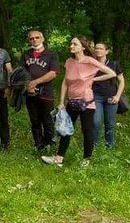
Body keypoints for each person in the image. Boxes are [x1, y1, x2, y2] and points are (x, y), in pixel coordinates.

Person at [42, 36, 116, 167]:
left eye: (75, 44)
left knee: (87, 130)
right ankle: (59, 158)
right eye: (71, 44)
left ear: (83, 47)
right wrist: (61, 102)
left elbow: (111, 73)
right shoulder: (69, 61)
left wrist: (93, 80)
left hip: (86, 102)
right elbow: (65, 82)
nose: (71, 46)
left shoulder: (90, 61)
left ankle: (87, 159)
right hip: (71, 102)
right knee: (66, 129)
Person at [21, 30, 60, 152]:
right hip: (30, 93)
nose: (34, 40)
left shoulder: (51, 54)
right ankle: (39, 146)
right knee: (35, 121)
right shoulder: (26, 54)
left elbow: (53, 73)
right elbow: (22, 72)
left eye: (37, 37)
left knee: (48, 121)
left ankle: (48, 143)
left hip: (46, 93)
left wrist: (36, 82)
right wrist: (28, 85)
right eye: (31, 38)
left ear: (42, 38)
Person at [92, 42, 125, 148]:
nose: (98, 50)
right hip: (96, 97)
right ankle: (94, 146)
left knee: (110, 123)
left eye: (101, 48)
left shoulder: (113, 64)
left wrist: (117, 96)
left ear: (107, 51)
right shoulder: (91, 64)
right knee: (96, 122)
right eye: (96, 48)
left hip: (111, 97)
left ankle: (109, 146)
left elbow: (121, 81)